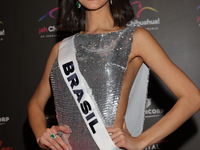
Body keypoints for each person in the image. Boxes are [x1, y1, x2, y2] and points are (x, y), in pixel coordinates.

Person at [27, 0, 200, 150]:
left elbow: (192, 97)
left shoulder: (135, 38)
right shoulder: (61, 50)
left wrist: (141, 141)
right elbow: (35, 103)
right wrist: (44, 137)